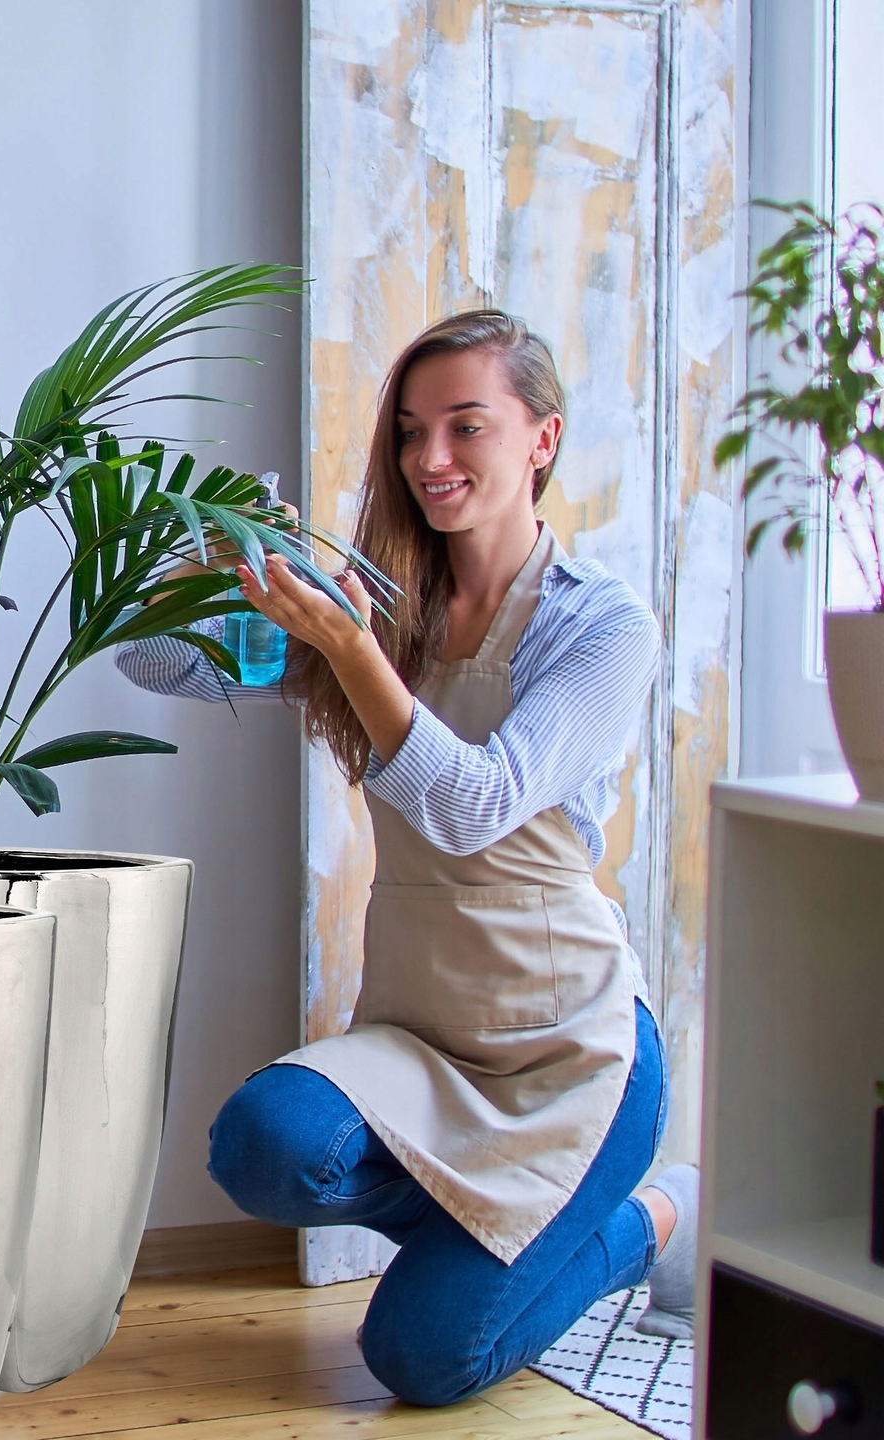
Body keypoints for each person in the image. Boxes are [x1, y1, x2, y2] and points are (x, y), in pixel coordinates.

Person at [115, 310, 699, 1407]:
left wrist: (346, 645)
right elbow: (156, 664)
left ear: (542, 438)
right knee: (263, 1146)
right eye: (410, 431)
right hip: (423, 1038)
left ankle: (656, 1216)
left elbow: (474, 806)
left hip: (570, 1053)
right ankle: (490, 1237)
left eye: (466, 426)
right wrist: (209, 556)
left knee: (423, 1360)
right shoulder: (383, 605)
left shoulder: (602, 626)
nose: (430, 457)